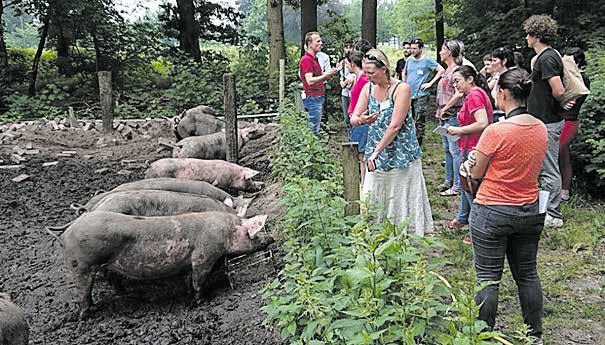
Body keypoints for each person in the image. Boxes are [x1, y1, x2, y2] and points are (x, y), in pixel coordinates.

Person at [466, 68, 547, 344]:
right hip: (529, 209)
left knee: (488, 277)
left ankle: (484, 336)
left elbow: (476, 173)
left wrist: (471, 162)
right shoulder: (540, 128)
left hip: (492, 209)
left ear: (503, 93)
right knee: (527, 274)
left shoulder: (495, 131)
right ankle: (534, 335)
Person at [349, 49, 433, 235]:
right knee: (374, 190)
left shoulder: (402, 88)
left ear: (384, 69)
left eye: (371, 72)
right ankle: (376, 231)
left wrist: (377, 151)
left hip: (401, 151)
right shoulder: (367, 88)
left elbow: (395, 125)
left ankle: (407, 232)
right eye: (365, 72)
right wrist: (362, 120)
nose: (367, 76)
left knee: (401, 191)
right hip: (376, 152)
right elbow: (353, 118)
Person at [524, 14, 571, 228]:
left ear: (536, 35)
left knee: (549, 168)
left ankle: (554, 214)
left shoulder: (547, 58)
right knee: (541, 166)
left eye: (528, 34)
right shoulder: (547, 56)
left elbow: (558, 90)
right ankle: (543, 207)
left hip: (548, 122)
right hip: (541, 121)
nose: (526, 38)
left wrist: (561, 102)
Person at [446, 66, 494, 238]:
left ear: (470, 79)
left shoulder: (474, 96)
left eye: (457, 81)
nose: (455, 85)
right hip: (469, 145)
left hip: (474, 147)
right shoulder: (474, 94)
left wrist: (458, 131)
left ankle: (478, 230)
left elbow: (483, 123)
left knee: (471, 189)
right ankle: (463, 217)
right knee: (466, 184)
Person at [559, 48, 590, 201]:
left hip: (570, 121)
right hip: (560, 120)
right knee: (558, 155)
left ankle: (565, 190)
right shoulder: (565, 77)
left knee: (562, 152)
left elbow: (572, 103)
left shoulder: (582, 79)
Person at [402, 38, 445, 146]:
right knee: (407, 118)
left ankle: (418, 143)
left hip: (421, 94)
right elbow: (404, 72)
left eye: (415, 48)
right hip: (409, 94)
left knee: (419, 119)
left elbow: (441, 70)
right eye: (411, 48)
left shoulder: (427, 60)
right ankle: (409, 141)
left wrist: (430, 83)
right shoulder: (409, 60)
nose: (412, 51)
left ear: (421, 49)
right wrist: (404, 83)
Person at [436, 40, 464, 196]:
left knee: (455, 150)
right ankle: (449, 179)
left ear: (450, 52)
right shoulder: (446, 70)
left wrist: (445, 108)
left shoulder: (457, 71)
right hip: (444, 114)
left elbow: (459, 93)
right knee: (447, 149)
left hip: (453, 114)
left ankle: (458, 185)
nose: (440, 52)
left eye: (442, 49)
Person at [298, 31, 341, 136]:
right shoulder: (306, 60)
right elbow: (310, 80)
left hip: (318, 96)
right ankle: (311, 150)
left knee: (315, 127)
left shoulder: (315, 58)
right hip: (312, 97)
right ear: (309, 44)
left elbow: (319, 77)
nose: (321, 43)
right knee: (313, 130)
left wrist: (333, 71)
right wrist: (325, 75)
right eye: (318, 41)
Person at [346, 51, 370, 185]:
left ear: (352, 63)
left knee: (362, 154)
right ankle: (363, 181)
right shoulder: (358, 78)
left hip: (361, 121)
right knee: (360, 153)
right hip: (355, 119)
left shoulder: (363, 79)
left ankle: (365, 183)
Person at [489, 47, 517, 122]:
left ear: (504, 61)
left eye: (494, 60)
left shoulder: (511, 78)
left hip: (508, 116)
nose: (492, 63)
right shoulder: (499, 76)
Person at [340, 43, 356, 127]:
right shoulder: (342, 62)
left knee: (353, 115)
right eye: (346, 47)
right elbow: (341, 76)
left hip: (354, 92)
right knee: (346, 117)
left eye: (351, 47)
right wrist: (342, 82)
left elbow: (354, 73)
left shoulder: (357, 61)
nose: (349, 49)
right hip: (345, 92)